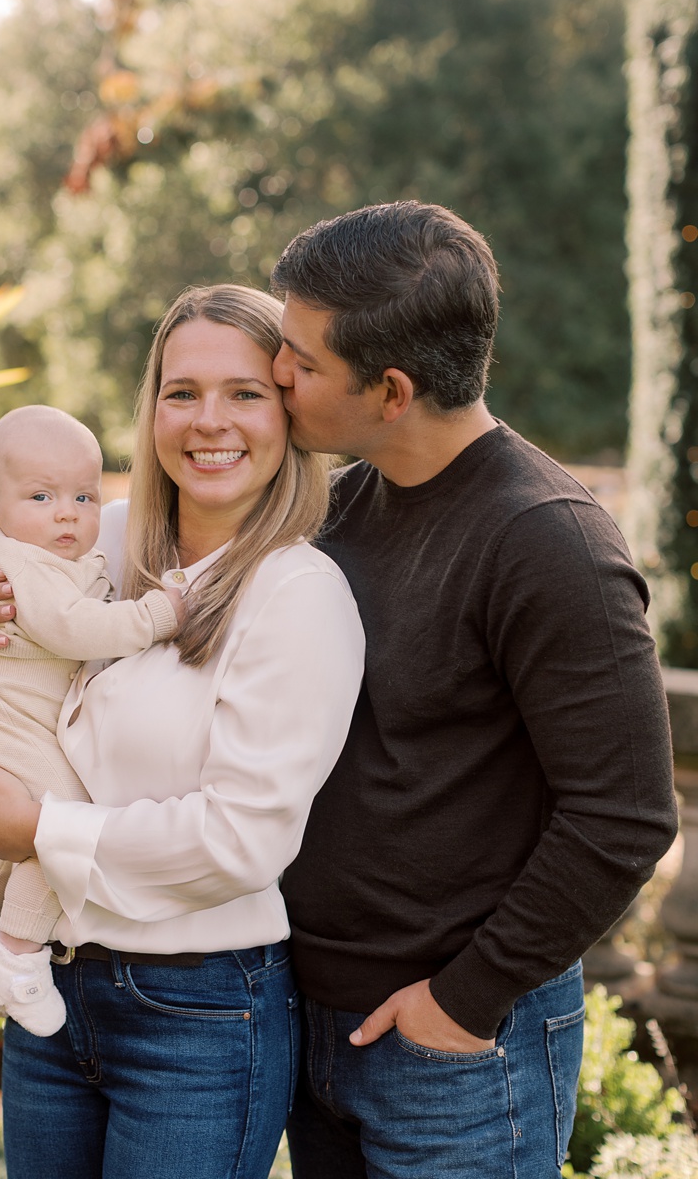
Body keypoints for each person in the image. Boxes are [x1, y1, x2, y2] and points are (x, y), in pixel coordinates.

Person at [0, 284, 365, 1179]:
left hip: (194, 1011)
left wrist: (39, 830)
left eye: (244, 393)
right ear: (150, 408)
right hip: (51, 985)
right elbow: (15, 703)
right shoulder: (94, 534)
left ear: (289, 412)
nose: (210, 421)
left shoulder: (298, 595)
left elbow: (244, 840)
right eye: (181, 391)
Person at [266, 200, 679, 1178]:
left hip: (450, 1053)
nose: (275, 374)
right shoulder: (337, 503)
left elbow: (623, 816)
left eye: (304, 361)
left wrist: (462, 999)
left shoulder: (551, 543)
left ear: (393, 389)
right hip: (313, 1026)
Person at [0, 404, 182, 1037]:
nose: (68, 512)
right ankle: (15, 952)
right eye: (41, 495)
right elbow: (74, 628)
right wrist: (156, 615)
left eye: (85, 495)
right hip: (3, 739)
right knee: (55, 824)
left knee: (16, 842)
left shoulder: (46, 553)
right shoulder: (27, 566)